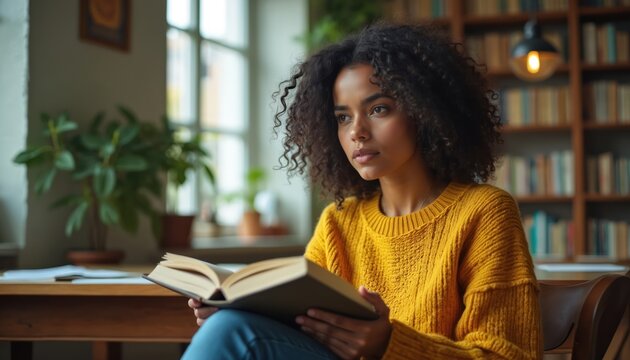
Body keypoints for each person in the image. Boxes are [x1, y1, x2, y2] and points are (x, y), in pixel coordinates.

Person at [183, 22, 541, 360]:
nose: (357, 131)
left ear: (425, 113)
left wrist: (389, 344)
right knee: (232, 327)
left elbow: (508, 355)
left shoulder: (485, 212)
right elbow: (299, 329)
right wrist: (234, 308)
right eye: (343, 117)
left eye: (378, 109)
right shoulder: (339, 221)